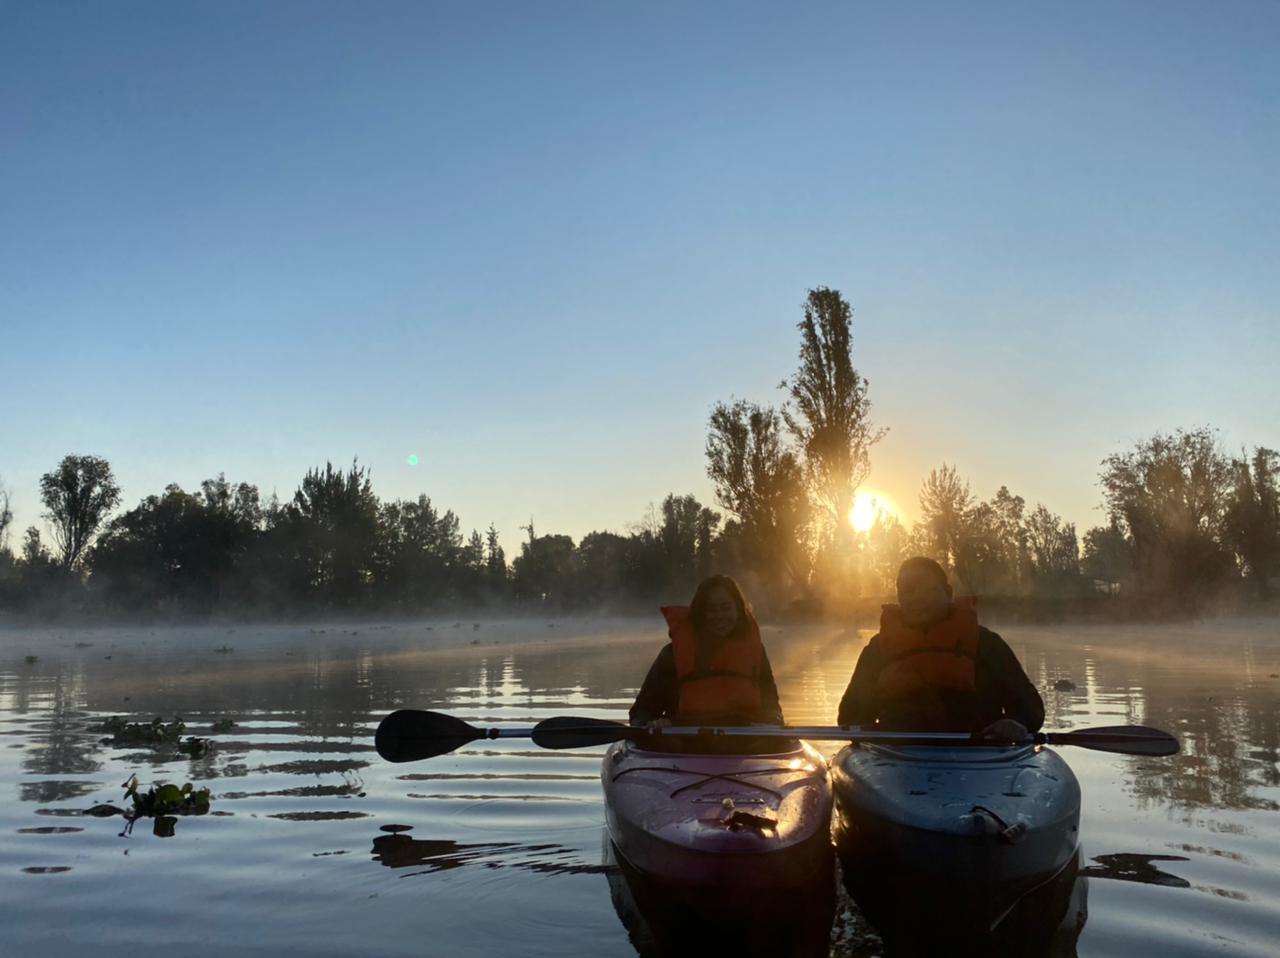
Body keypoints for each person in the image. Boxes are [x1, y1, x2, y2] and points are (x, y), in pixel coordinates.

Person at [837, 556, 1044, 740]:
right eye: (907, 591)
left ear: (948, 592)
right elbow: (850, 716)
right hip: (897, 760)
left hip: (980, 758)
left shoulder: (988, 644)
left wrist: (1016, 723)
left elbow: (1031, 709)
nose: (916, 598)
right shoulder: (878, 649)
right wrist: (871, 733)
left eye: (927, 589)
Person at [629, 574, 784, 729]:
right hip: (683, 744)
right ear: (700, 614)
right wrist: (652, 725)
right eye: (711, 610)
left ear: (738, 610)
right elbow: (641, 712)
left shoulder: (755, 652)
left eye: (726, 608)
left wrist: (772, 721)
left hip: (746, 742)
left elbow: (771, 704)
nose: (719, 616)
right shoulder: (671, 655)